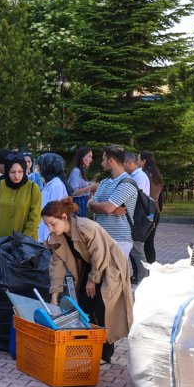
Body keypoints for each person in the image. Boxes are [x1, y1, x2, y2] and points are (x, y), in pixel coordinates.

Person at [42, 198, 133, 363]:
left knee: (103, 309)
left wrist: (93, 279)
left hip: (109, 265)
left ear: (64, 217)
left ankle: (104, 355)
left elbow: (100, 253)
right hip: (91, 267)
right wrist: (54, 294)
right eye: (47, 225)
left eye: (52, 223)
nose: (50, 228)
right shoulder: (57, 236)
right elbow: (56, 265)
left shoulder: (86, 226)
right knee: (84, 307)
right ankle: (89, 349)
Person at [0, 157, 42, 240]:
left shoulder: (33, 188)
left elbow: (35, 218)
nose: (17, 175)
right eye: (12, 172)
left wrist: (23, 239)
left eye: (20, 171)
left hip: (25, 243)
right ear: (7, 171)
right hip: (0, 241)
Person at [121, 152, 151, 284]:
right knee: (136, 251)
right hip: (134, 218)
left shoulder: (139, 177)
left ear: (129, 163)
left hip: (137, 218)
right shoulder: (135, 176)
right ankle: (141, 278)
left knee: (138, 252)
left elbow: (138, 199)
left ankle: (145, 280)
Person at [36, 153, 69, 242]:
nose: (38, 169)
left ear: (49, 167)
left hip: (49, 235)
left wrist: (48, 238)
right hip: (44, 232)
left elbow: (53, 213)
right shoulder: (50, 184)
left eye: (40, 166)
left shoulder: (55, 185)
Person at [139, 151, 164, 264]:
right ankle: (151, 267)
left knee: (140, 243)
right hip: (155, 210)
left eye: (138, 159)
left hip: (147, 211)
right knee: (149, 242)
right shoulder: (156, 174)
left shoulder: (142, 175)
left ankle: (142, 271)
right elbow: (161, 197)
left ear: (144, 161)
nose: (136, 161)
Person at [67, 146, 94, 218]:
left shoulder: (81, 171)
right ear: (81, 157)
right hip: (78, 204)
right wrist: (91, 187)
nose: (91, 160)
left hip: (81, 204)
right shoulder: (76, 171)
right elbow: (74, 192)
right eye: (89, 156)